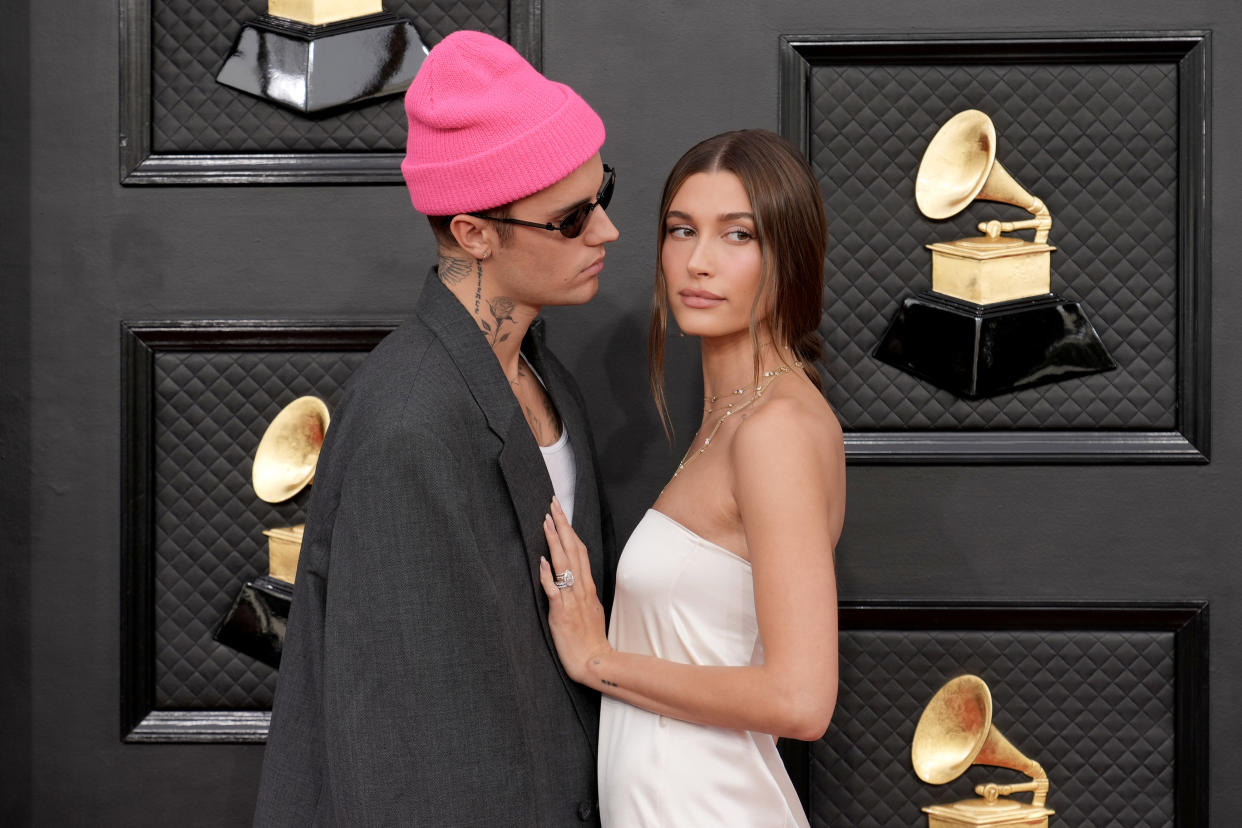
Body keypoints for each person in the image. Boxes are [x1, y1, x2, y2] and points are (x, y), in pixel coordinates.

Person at [254, 30, 619, 826]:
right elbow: (414, 743)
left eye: (605, 194)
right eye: (570, 220)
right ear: (473, 231)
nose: (605, 232)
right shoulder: (410, 429)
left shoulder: (540, 373)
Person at [537, 129, 844, 827]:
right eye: (681, 230)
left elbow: (802, 701)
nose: (698, 262)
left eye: (738, 236)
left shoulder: (776, 431)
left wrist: (597, 659)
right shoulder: (733, 419)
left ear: (790, 256)